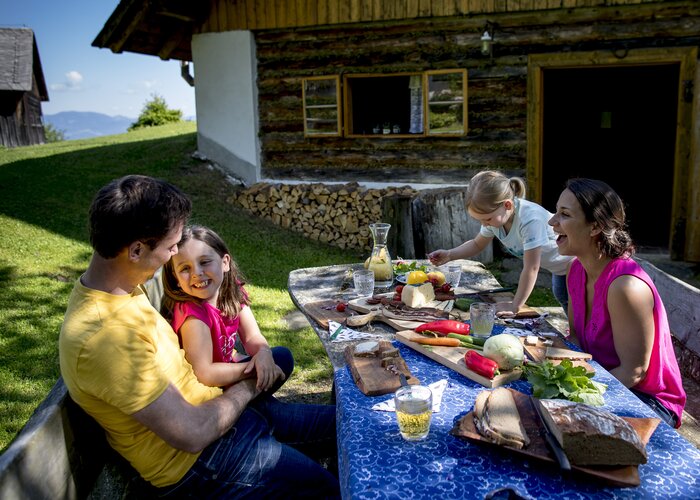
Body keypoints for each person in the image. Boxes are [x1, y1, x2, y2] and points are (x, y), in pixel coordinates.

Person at [59, 175, 340, 497]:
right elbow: (191, 433)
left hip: (228, 420)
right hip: (204, 463)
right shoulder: (104, 336)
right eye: (170, 246)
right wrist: (248, 384)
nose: (175, 252)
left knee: (357, 429)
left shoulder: (121, 289)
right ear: (136, 249)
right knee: (331, 489)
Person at [548, 178, 686, 428]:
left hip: (648, 401)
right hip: (604, 381)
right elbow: (576, 339)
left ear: (595, 227)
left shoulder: (626, 287)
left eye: (564, 215)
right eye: (556, 211)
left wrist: (574, 400)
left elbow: (634, 372)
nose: (552, 222)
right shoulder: (575, 270)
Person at [161, 224, 293, 392]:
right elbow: (204, 374)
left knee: (281, 357)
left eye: (204, 262)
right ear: (176, 278)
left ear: (225, 263)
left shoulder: (231, 292)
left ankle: (258, 407)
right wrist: (257, 369)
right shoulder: (193, 316)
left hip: (229, 374)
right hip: (209, 393)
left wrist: (263, 354)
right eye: (185, 268)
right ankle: (254, 409)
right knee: (270, 403)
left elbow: (252, 336)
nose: (196, 273)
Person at [428, 170, 573, 316]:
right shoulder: (495, 218)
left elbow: (531, 268)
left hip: (576, 263)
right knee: (565, 299)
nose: (484, 225)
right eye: (480, 220)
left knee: (579, 305)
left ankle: (581, 335)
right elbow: (477, 244)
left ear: (507, 205)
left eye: (487, 219)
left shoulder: (530, 220)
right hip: (559, 268)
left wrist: (515, 305)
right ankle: (576, 334)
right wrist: (450, 254)